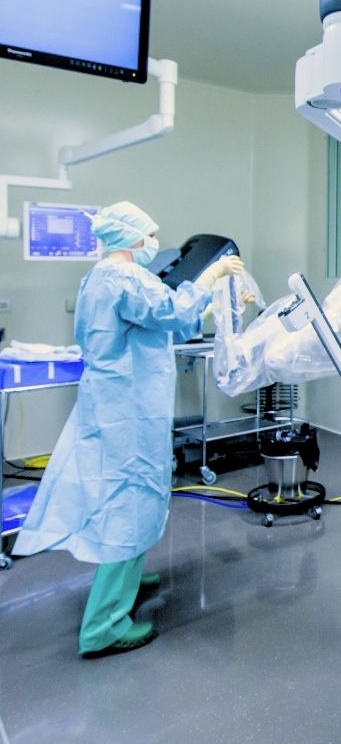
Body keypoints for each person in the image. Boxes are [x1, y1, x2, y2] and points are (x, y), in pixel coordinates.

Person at [14, 201, 245, 658]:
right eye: (151, 236)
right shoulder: (127, 279)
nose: (155, 244)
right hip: (130, 407)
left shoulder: (97, 277)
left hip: (113, 402)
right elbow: (175, 316)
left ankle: (131, 579)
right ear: (133, 237)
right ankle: (104, 625)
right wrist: (211, 279)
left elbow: (154, 325)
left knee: (128, 495)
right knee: (129, 501)